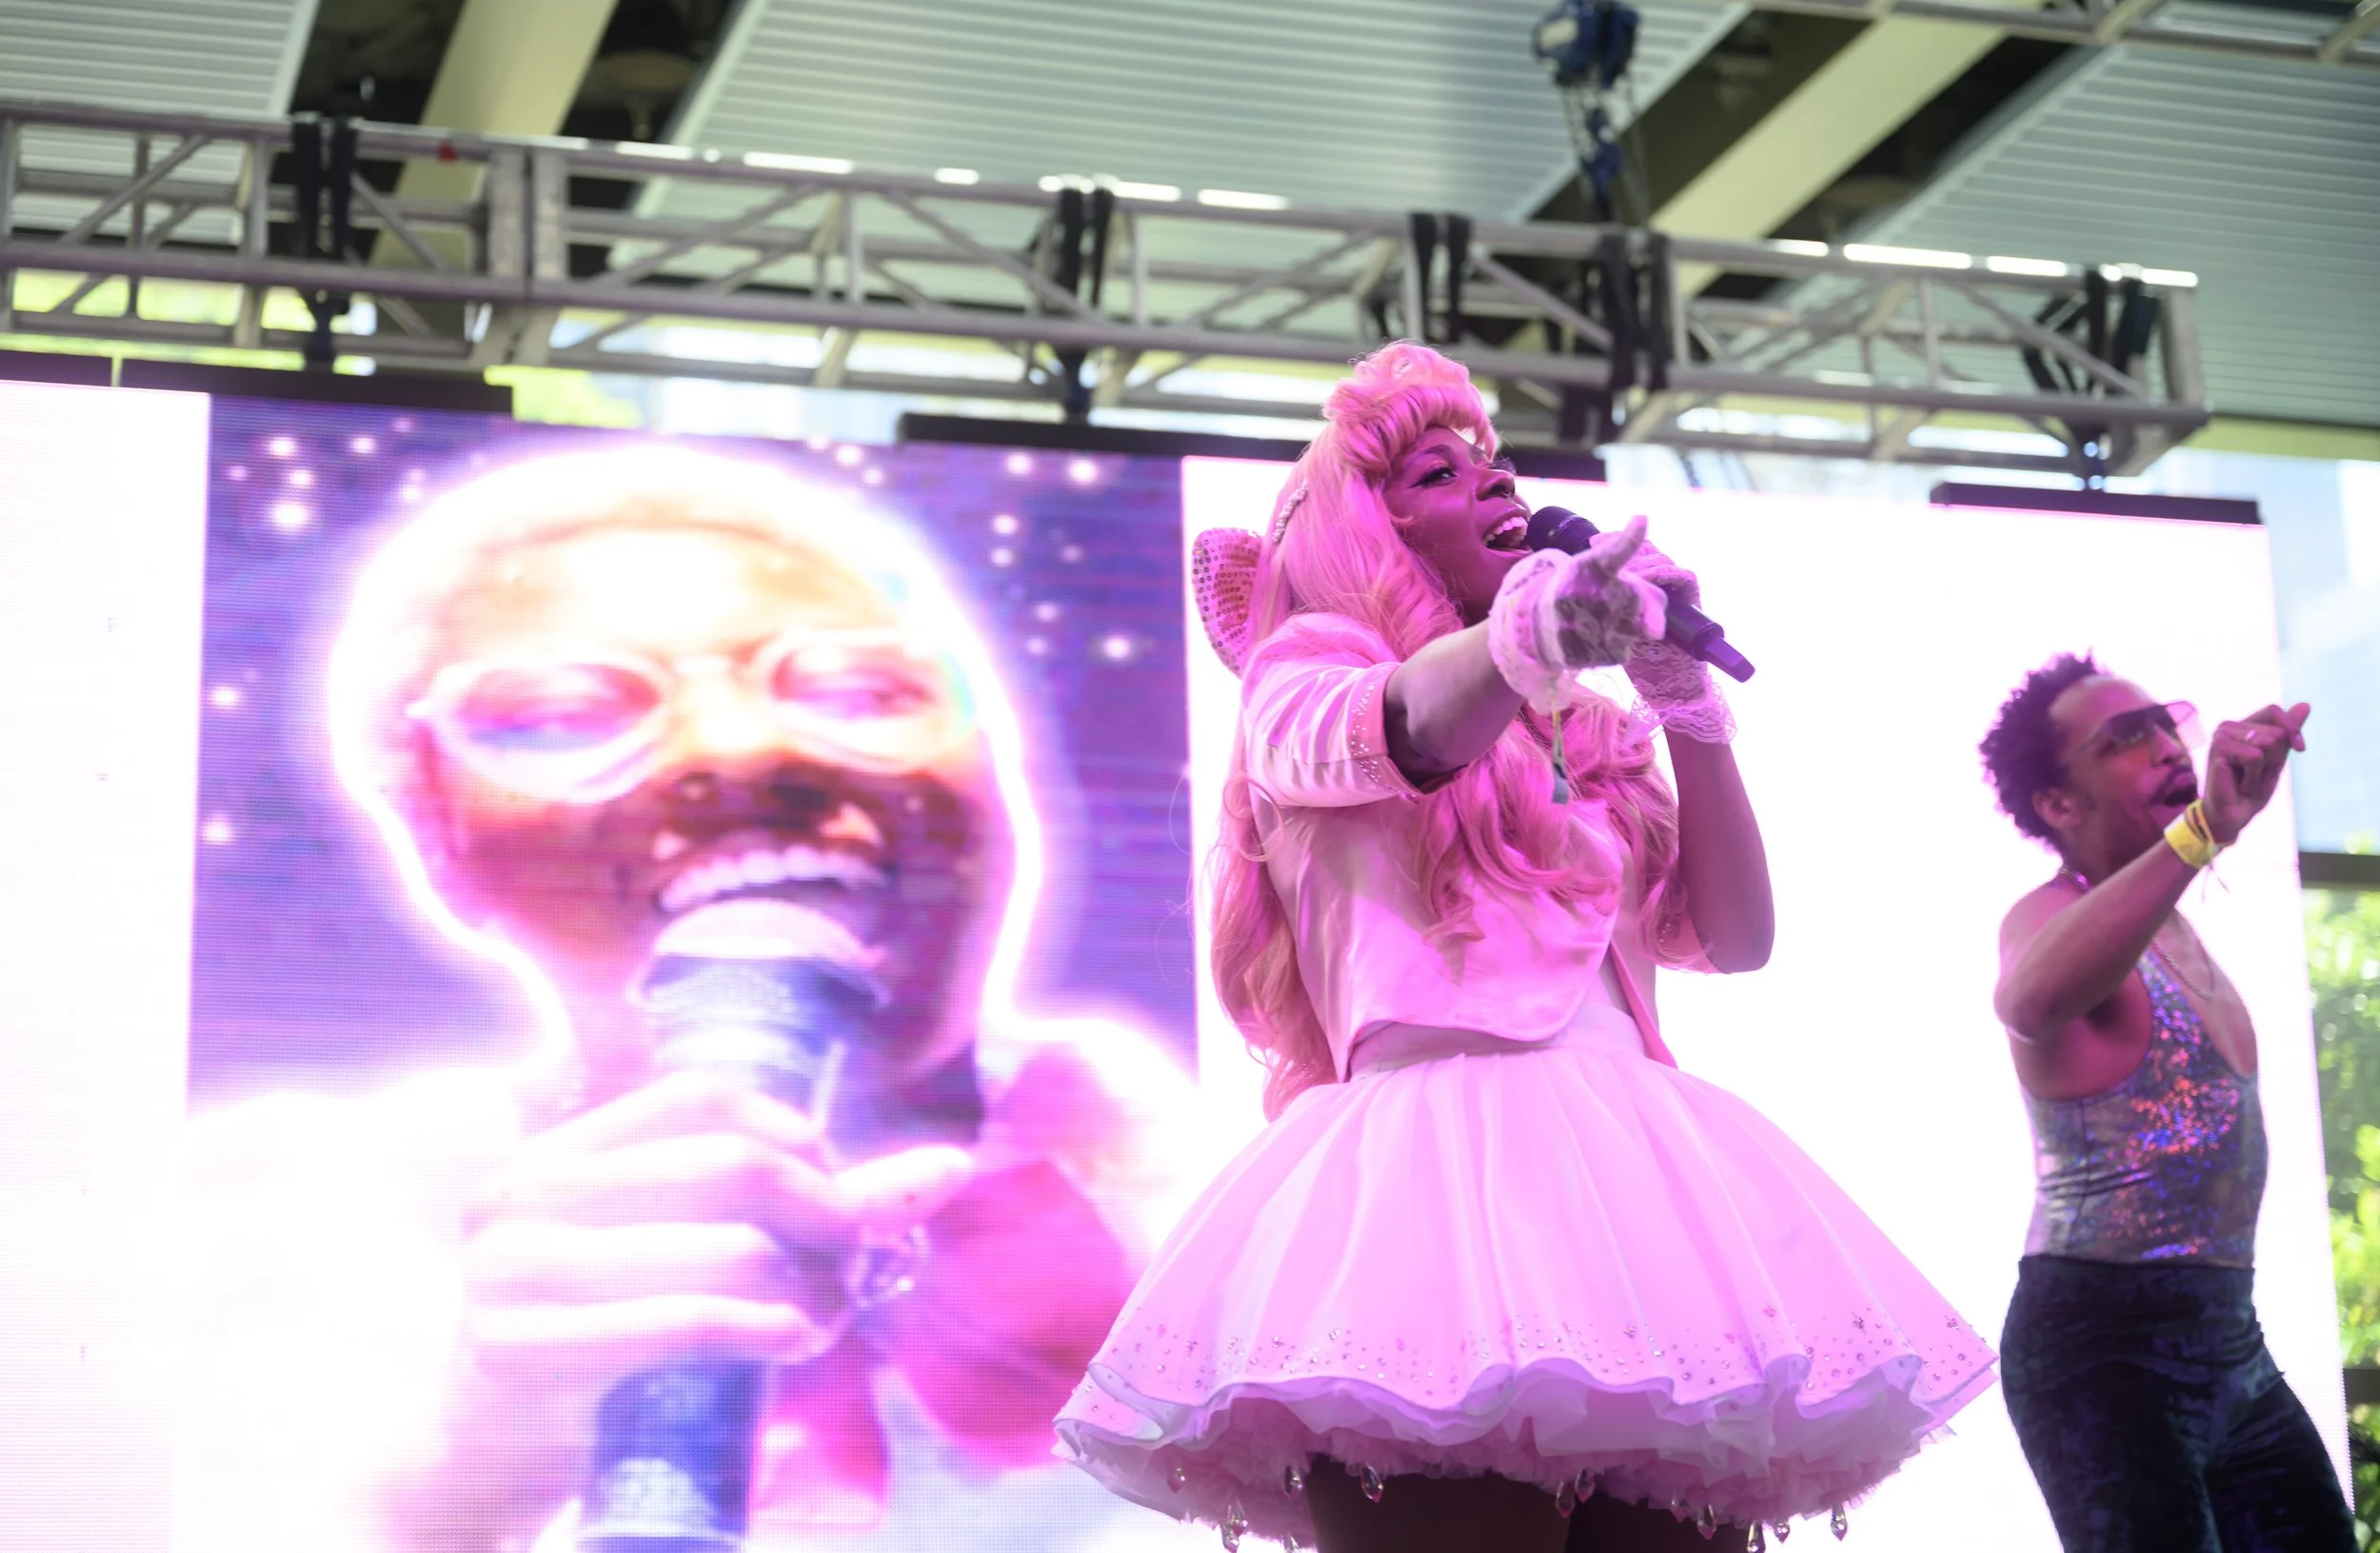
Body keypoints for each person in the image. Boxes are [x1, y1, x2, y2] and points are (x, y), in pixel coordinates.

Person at [1055, 343, 1994, 1553]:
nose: (1495, 483)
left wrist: (1686, 708)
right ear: (1361, 531)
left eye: (1494, 462)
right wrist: (1525, 637)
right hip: (1420, 1192)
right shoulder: (1299, 673)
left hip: (1629, 1188)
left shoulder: (1585, 732)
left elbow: (1736, 936)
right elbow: (1404, 725)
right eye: (1439, 472)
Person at [175, 448, 1203, 1552]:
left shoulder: (1243, 1171)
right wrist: (458, 1475)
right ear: (434, 827)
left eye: (858, 691)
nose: (744, 748)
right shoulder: (269, 1242)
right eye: (565, 713)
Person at [1981, 653, 2349, 1552]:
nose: (2161, 746)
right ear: (2060, 806)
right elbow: (2030, 1003)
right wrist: (2201, 829)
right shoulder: (2046, 915)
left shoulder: (2176, 921)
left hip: (2233, 1341)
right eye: (2122, 740)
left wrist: (2201, 837)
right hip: (2103, 1347)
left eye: (2160, 723)